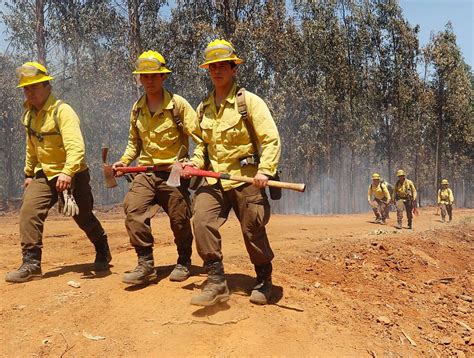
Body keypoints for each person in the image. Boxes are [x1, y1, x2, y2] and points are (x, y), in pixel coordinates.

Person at [186, 39, 281, 306]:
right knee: (201, 220)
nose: (217, 71)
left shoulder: (248, 102)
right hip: (215, 178)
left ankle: (264, 277)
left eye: (222, 66)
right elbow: (201, 145)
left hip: (246, 177)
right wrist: (193, 165)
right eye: (212, 67)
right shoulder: (203, 108)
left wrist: (265, 170)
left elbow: (271, 139)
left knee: (253, 227)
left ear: (233, 68)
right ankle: (216, 281)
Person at [5, 62, 111, 283]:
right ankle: (31, 263)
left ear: (47, 87)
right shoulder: (29, 115)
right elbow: (31, 146)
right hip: (44, 173)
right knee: (29, 212)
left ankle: (102, 247)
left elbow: (76, 147)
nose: (29, 92)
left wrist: (67, 173)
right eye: (26, 88)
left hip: (72, 173)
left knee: (82, 215)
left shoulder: (63, 111)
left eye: (34, 87)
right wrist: (27, 174)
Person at [113, 50, 197, 285]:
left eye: (153, 76)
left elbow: (199, 137)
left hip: (174, 173)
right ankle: (145, 264)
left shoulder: (178, 105)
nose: (148, 81)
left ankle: (184, 260)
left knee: (180, 219)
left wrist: (192, 162)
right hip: (146, 172)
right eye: (144, 76)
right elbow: (133, 144)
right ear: (140, 79)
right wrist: (124, 161)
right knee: (133, 209)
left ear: (163, 77)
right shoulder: (137, 108)